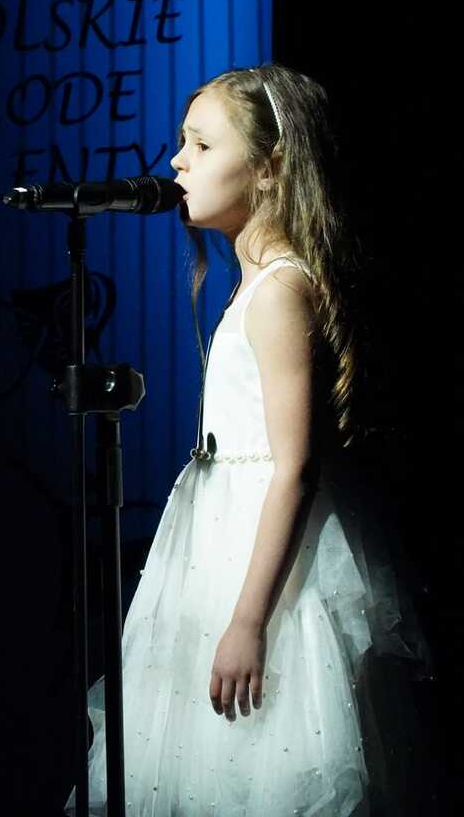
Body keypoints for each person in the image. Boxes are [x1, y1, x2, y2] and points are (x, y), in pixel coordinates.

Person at [64, 64, 433, 816]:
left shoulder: (281, 289)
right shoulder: (253, 285)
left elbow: (294, 467)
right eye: (182, 144)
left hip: (260, 569)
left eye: (202, 146)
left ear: (269, 168)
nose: (177, 162)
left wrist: (247, 621)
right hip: (216, 548)